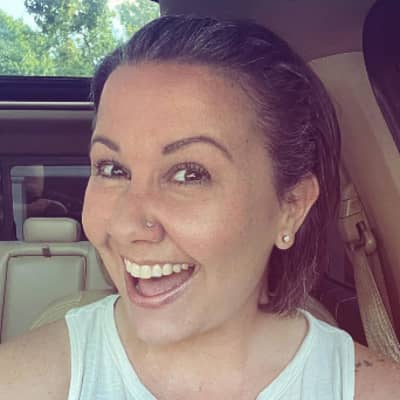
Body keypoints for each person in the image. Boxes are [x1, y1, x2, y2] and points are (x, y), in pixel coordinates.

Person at [0, 15, 399, 400]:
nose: (125, 226)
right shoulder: (19, 381)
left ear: (291, 206)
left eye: (189, 174)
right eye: (112, 169)